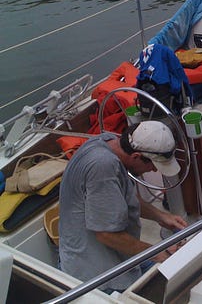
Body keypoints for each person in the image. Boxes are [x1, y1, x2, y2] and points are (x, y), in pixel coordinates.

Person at [59, 120, 187, 293]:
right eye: (152, 165)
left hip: (119, 258)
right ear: (135, 156)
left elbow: (125, 197)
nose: (154, 171)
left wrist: (161, 217)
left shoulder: (108, 141)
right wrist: (157, 252)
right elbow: (106, 234)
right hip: (98, 278)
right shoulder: (103, 167)